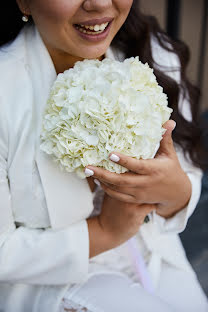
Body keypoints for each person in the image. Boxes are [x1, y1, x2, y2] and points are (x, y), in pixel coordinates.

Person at [0, 0, 207, 311]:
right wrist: (104, 232)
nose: (98, 2)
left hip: (155, 253)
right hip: (52, 281)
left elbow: (188, 171)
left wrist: (176, 192)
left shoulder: (153, 51)